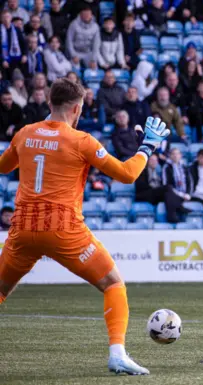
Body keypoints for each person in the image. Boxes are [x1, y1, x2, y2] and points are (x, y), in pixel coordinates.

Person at [0, 78, 169, 374]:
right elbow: (127, 175)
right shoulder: (81, 141)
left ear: (49, 103)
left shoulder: (25, 134)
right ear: (77, 109)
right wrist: (148, 147)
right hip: (63, 230)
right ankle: (117, 354)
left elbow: (3, 167)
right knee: (113, 283)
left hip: (23, 229)